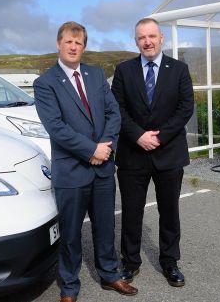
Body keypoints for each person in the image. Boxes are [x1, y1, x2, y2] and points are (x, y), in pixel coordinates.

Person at [34, 21, 138, 302]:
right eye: (68, 41)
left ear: (84, 47)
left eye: (78, 43)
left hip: (103, 170)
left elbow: (113, 113)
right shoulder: (45, 84)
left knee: (106, 227)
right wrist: (92, 150)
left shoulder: (96, 74)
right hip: (71, 171)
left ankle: (110, 275)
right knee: (70, 234)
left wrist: (105, 148)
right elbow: (56, 127)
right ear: (59, 44)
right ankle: (69, 286)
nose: (73, 47)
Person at [111, 18, 194, 287]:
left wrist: (159, 137)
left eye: (151, 36)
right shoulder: (124, 70)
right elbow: (117, 108)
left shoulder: (179, 69)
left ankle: (170, 262)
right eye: (141, 37)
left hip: (168, 153)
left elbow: (185, 108)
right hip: (133, 155)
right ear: (136, 42)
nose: (147, 41)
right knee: (132, 212)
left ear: (162, 39)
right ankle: (130, 262)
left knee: (170, 212)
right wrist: (138, 136)